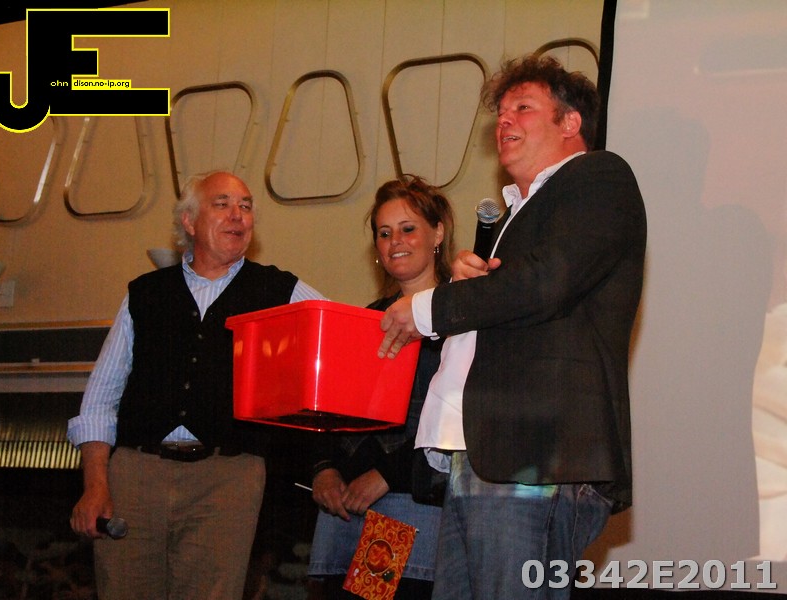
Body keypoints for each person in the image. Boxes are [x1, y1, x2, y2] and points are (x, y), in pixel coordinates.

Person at [378, 54, 647, 599]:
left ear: (570, 122)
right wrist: (472, 287)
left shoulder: (598, 175)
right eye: (500, 112)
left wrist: (431, 307)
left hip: (535, 455)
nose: (504, 121)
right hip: (480, 455)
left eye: (522, 108)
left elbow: (547, 283)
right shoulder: (513, 216)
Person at [67, 170, 324, 600]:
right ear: (188, 221)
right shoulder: (145, 293)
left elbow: (340, 335)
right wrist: (95, 483)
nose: (238, 215)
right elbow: (100, 398)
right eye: (222, 204)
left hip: (229, 476)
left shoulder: (279, 289)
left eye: (245, 206)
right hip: (135, 475)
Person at [307, 176, 455, 599]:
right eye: (384, 233)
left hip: (407, 506)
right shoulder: (364, 319)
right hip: (344, 510)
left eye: (408, 229)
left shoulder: (459, 320)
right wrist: (325, 469)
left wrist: (389, 475)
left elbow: (460, 421)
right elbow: (330, 410)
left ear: (438, 233)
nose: (395, 242)